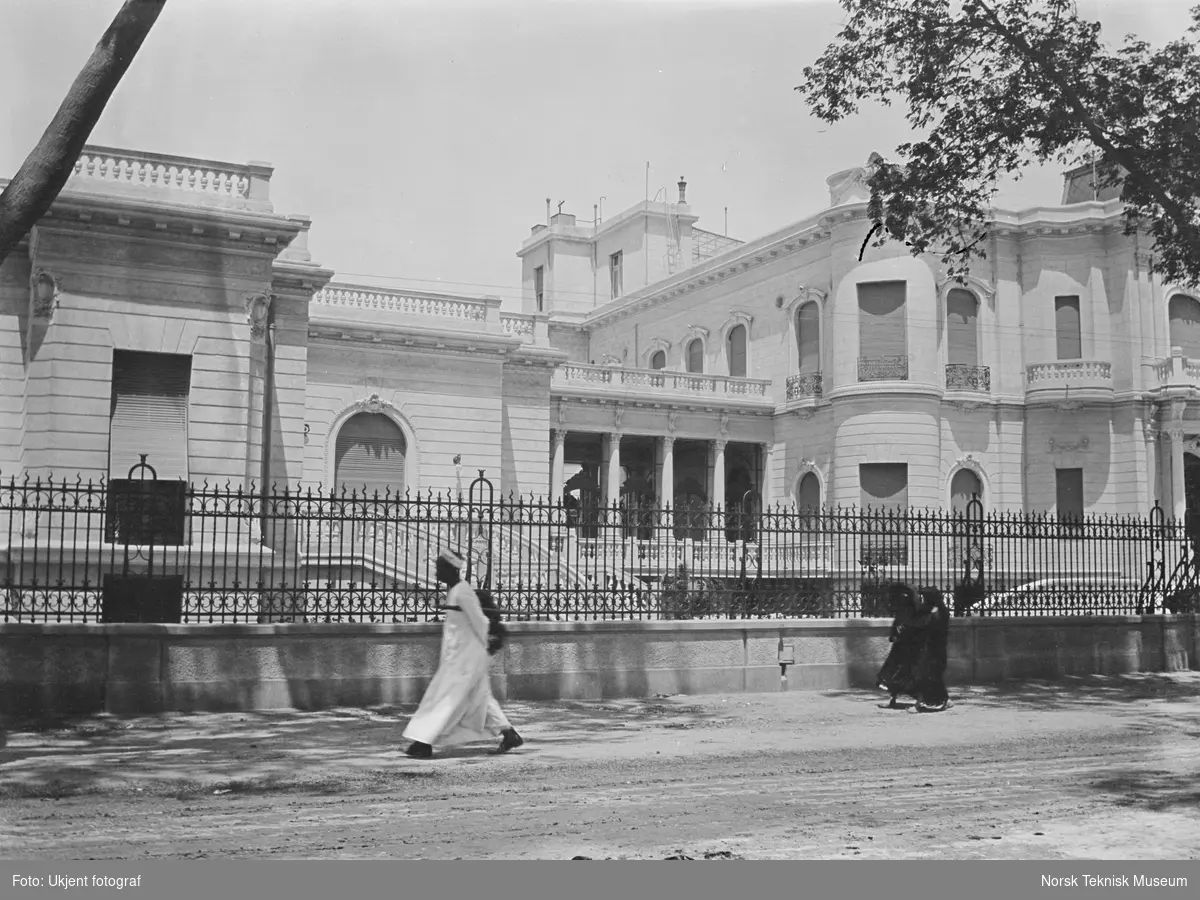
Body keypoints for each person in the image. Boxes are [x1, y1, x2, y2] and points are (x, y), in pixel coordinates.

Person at [402, 549, 524, 759]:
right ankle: (509, 734)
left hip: (466, 660)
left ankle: (423, 742)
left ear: (450, 570)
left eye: (439, 568)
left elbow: (480, 621)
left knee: (445, 700)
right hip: (460, 657)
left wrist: (484, 648)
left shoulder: (463, 592)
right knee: (480, 698)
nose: (436, 572)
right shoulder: (455, 592)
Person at [875, 582, 922, 709]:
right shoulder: (902, 610)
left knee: (909, 676)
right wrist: (895, 634)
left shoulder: (916, 611)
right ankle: (892, 700)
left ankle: (925, 700)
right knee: (891, 674)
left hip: (910, 649)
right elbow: (897, 624)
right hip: (899, 648)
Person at [907, 586, 952, 713]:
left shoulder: (934, 612)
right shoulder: (941, 610)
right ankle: (946, 699)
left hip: (931, 649)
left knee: (924, 675)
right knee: (934, 675)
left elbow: (923, 628)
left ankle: (918, 704)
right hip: (938, 648)